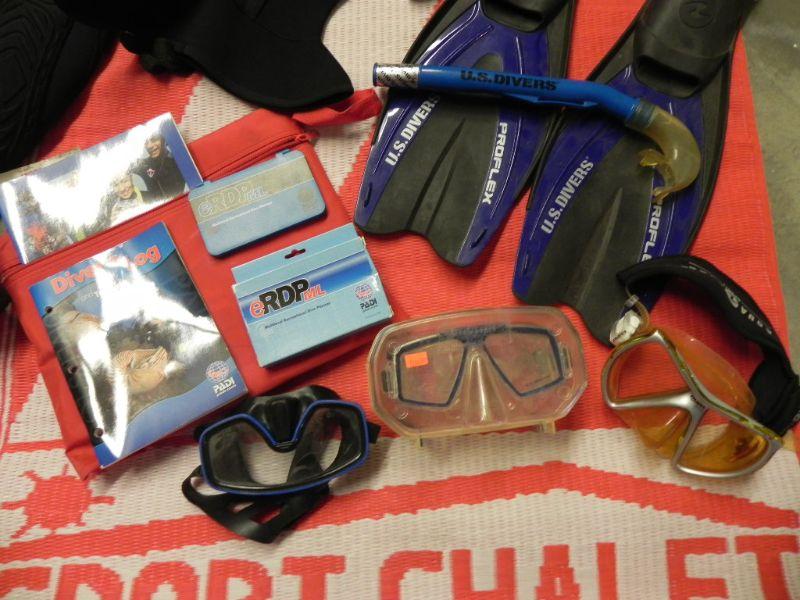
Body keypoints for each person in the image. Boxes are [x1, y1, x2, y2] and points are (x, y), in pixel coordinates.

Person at [134, 133, 187, 199]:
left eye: (154, 139)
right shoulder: (143, 165)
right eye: (145, 142)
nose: (149, 146)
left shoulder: (178, 159)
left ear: (163, 140)